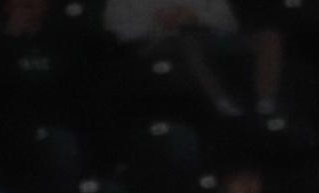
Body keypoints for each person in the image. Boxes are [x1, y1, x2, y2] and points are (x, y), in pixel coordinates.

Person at [102, 0, 283, 117]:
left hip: (205, 36)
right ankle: (220, 101)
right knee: (188, 41)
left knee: (269, 37)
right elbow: (115, 29)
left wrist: (196, 17)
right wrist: (156, 23)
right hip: (155, 43)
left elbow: (228, 22)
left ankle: (266, 102)